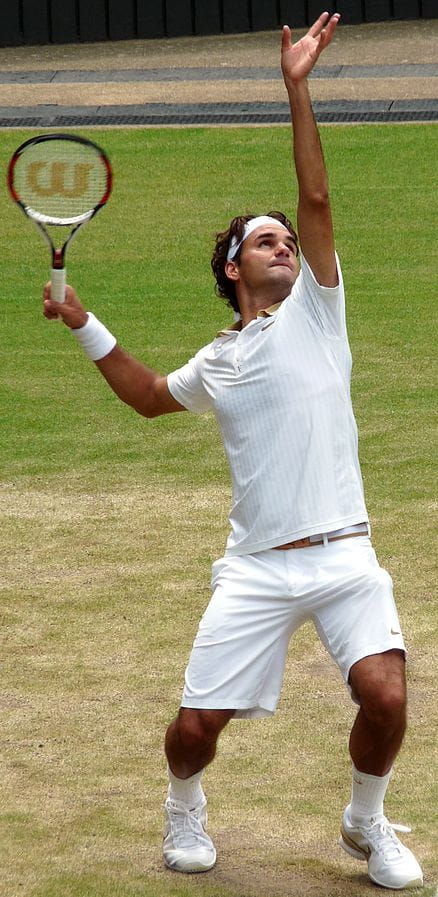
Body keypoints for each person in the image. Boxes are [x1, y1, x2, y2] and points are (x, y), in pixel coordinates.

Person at [42, 12, 423, 891]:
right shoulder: (219, 361)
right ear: (231, 269)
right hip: (254, 568)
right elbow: (146, 398)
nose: (285, 242)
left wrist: (298, 86)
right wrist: (82, 322)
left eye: (287, 238)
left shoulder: (319, 314)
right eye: (265, 239)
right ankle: (185, 807)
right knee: (192, 732)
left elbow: (318, 200)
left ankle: (365, 820)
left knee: (389, 695)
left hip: (345, 553)